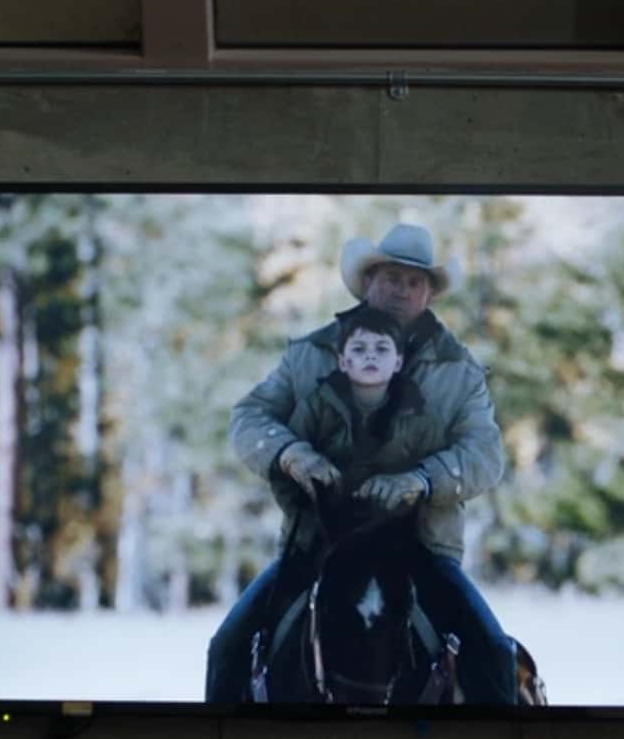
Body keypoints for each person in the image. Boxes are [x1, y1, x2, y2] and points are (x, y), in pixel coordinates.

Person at [209, 222, 516, 704]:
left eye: (415, 282)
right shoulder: (311, 353)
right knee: (226, 649)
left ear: (430, 294)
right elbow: (249, 416)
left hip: (422, 546)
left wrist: (422, 480)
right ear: (367, 281)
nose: (401, 290)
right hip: (317, 544)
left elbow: (486, 455)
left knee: (495, 655)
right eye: (391, 277)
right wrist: (289, 453)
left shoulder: (460, 370)